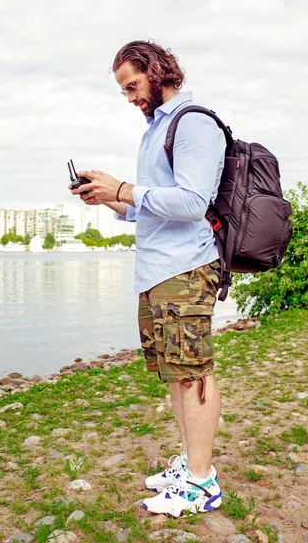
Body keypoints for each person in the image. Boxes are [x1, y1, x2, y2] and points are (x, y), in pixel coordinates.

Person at [69, 40, 225, 517]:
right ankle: (191, 464)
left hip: (186, 266)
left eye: (133, 85)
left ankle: (201, 482)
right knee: (176, 375)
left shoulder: (193, 121)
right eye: (124, 91)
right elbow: (150, 209)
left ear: (159, 71)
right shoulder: (155, 130)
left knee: (193, 371)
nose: (131, 98)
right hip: (157, 269)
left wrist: (124, 187)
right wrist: (109, 199)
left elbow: (192, 203)